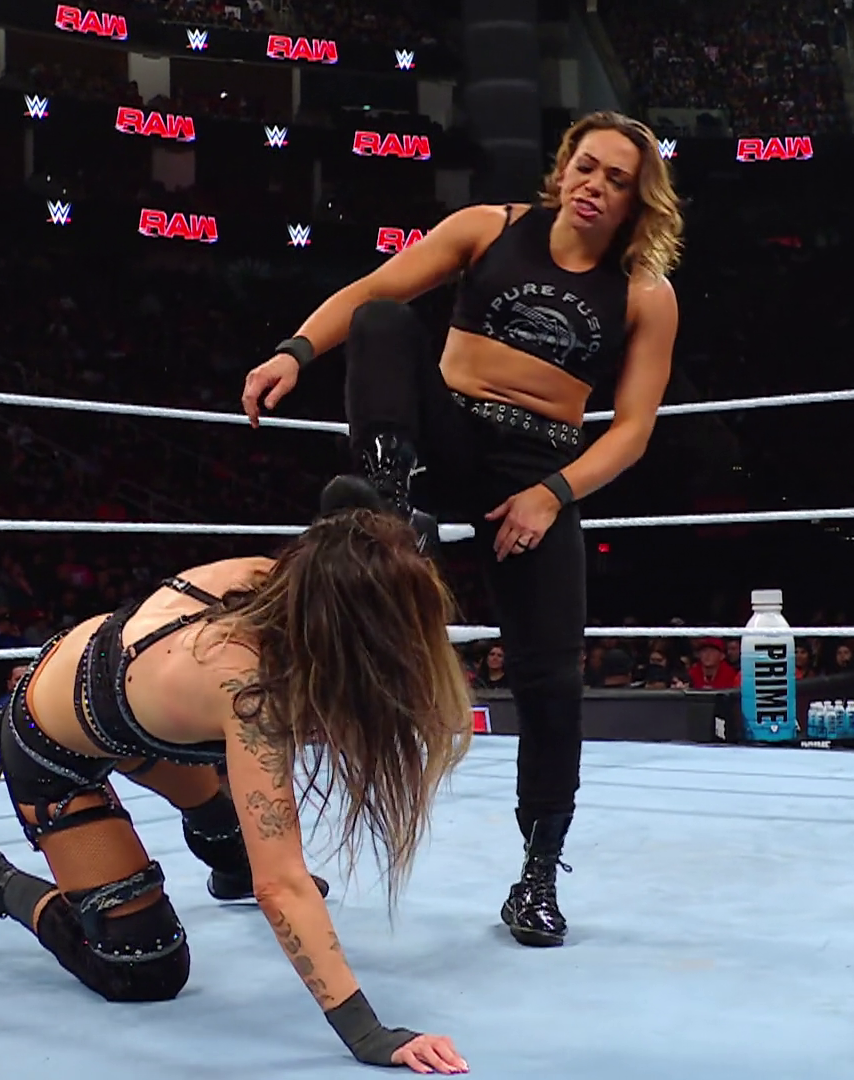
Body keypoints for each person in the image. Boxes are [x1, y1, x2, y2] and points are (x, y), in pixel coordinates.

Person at [240, 110, 683, 948]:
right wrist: (294, 351)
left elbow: (631, 430)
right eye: (587, 167)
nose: (595, 186)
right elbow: (368, 294)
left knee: (551, 678)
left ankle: (538, 876)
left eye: (617, 179)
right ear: (563, 169)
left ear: (637, 200)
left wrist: (551, 494)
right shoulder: (489, 228)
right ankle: (388, 501)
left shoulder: (645, 294)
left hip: (537, 469)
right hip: (444, 441)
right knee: (382, 320)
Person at [0, 507, 473, 1074]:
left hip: (118, 701)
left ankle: (225, 859)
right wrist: (367, 1032)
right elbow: (281, 883)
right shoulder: (250, 693)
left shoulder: (283, 580)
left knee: (233, 827)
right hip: (52, 745)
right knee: (146, 965)